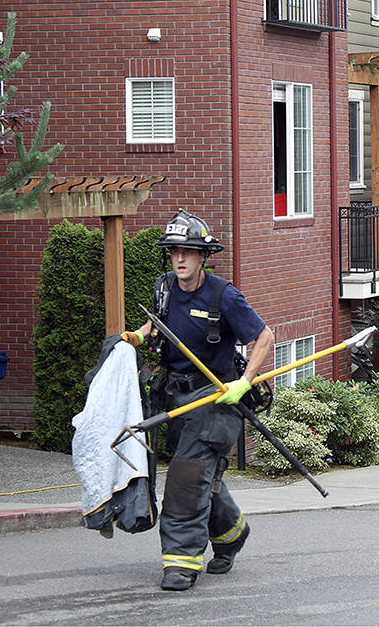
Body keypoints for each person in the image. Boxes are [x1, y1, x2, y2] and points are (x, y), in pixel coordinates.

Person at [122, 209, 274, 592]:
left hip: (216, 399)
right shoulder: (164, 288)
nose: (180, 259)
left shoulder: (224, 295)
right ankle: (231, 535)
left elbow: (265, 337)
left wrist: (244, 381)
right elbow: (155, 324)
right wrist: (137, 339)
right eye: (175, 251)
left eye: (188, 251)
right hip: (176, 400)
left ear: (203, 255)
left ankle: (180, 563)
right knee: (200, 477)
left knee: (186, 480)